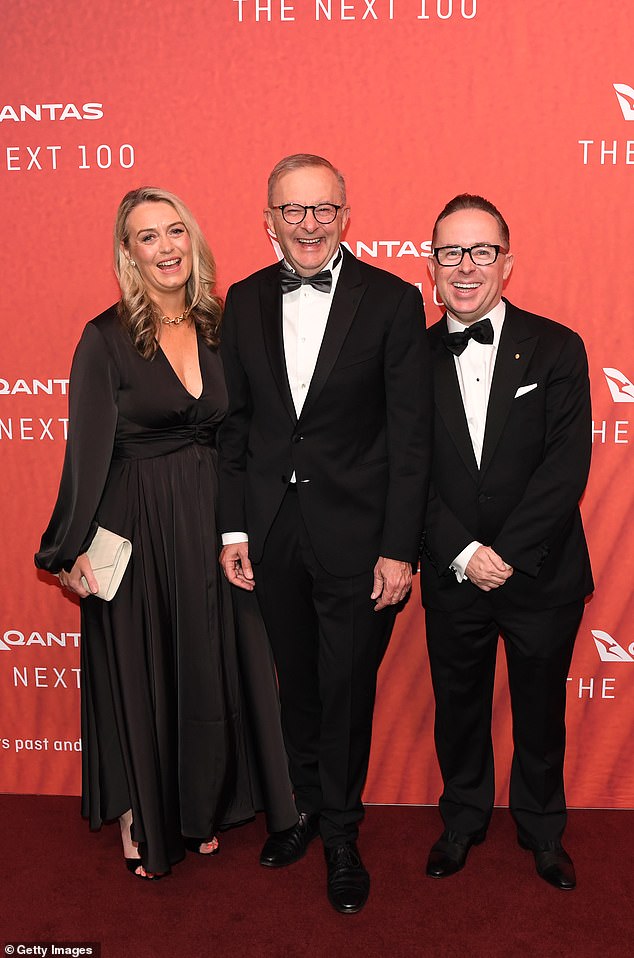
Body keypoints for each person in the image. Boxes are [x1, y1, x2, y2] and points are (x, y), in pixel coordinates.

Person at [35, 187, 297, 879]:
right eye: (147, 237)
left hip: (215, 519)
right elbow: (86, 451)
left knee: (209, 664)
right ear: (129, 253)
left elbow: (251, 429)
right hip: (137, 520)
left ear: (194, 239)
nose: (166, 247)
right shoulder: (106, 337)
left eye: (175, 231)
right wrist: (68, 550)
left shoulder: (223, 323)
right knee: (142, 669)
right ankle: (139, 814)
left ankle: (200, 806)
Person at [218, 154, 432, 914]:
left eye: (322, 209)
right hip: (273, 534)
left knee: (345, 689)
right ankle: (306, 808)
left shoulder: (394, 300)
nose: (307, 223)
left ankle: (343, 831)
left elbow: (412, 440)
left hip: (359, 539)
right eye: (292, 209)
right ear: (268, 218)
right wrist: (235, 528)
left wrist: (400, 547)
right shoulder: (240, 301)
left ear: (346, 215)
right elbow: (237, 426)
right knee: (297, 684)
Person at [419, 193, 593, 891]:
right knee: (458, 707)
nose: (466, 267)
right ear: (431, 266)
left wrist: (508, 555)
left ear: (507, 262)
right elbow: (404, 470)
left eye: (481, 251)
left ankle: (543, 830)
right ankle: (461, 820)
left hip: (541, 572)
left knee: (541, 710)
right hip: (451, 569)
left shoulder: (558, 346)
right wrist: (463, 552)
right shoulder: (407, 357)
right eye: (451, 252)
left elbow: (565, 466)